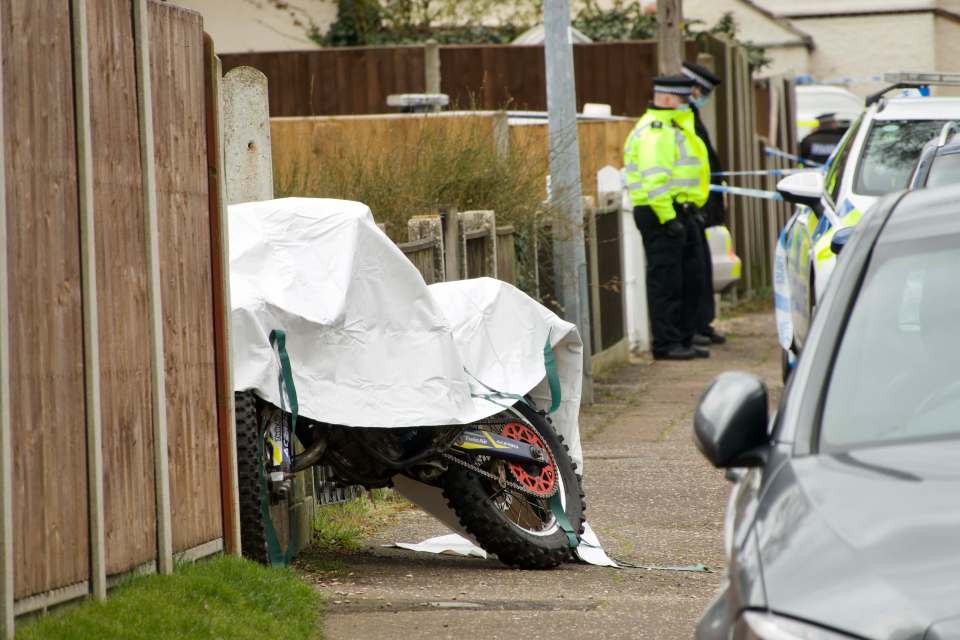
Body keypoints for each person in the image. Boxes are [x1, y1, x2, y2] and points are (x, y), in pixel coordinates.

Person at [624, 75, 710, 361]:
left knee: (689, 279)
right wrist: (668, 217)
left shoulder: (674, 126)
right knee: (667, 281)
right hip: (660, 212)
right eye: (685, 99)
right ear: (670, 99)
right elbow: (654, 179)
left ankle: (682, 339)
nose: (690, 104)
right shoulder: (656, 130)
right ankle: (666, 343)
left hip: (679, 211)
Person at [682, 61, 727, 346]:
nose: (703, 96)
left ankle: (702, 323)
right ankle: (694, 326)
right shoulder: (683, 117)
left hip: (698, 205)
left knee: (701, 269)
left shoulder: (692, 114)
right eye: (702, 91)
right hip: (687, 205)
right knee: (691, 271)